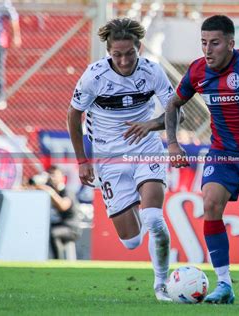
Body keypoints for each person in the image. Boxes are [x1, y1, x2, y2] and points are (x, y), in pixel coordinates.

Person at [165, 15, 239, 304]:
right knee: (210, 203)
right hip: (223, 153)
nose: (208, 50)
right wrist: (172, 143)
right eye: (204, 43)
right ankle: (224, 284)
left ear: (231, 44)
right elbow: (173, 104)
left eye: (215, 43)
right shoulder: (197, 71)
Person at [67, 18, 178, 301]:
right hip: (108, 158)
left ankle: (161, 285)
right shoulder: (94, 76)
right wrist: (82, 161)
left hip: (146, 148)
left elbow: (177, 112)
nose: (125, 60)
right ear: (109, 52)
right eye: (118, 55)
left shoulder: (153, 72)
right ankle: (134, 215)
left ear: (139, 47)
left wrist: (151, 126)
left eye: (130, 53)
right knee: (130, 242)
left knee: (153, 218)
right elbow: (73, 115)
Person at [29, 166, 80, 260]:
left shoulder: (67, 191)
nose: (52, 178)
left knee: (53, 233)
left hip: (70, 227)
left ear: (62, 177)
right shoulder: (49, 190)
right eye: (50, 174)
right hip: (57, 224)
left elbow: (63, 206)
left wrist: (49, 191)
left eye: (54, 175)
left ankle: (58, 261)